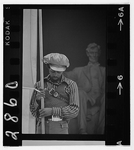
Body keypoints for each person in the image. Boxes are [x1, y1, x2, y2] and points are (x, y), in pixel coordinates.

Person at [30, 53, 79, 134]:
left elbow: (74, 110)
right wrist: (37, 100)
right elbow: (33, 111)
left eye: (59, 72)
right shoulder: (39, 85)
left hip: (60, 127)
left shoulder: (71, 85)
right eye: (53, 71)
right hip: (42, 127)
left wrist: (52, 111)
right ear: (48, 67)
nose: (55, 74)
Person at [64, 43, 105, 134]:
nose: (94, 55)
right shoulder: (79, 70)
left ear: (99, 53)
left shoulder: (104, 70)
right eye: (92, 53)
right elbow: (65, 75)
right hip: (86, 98)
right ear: (88, 54)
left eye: (96, 53)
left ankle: (102, 131)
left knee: (107, 97)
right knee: (80, 93)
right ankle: (82, 129)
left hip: (100, 98)